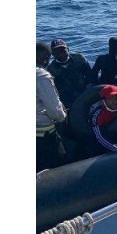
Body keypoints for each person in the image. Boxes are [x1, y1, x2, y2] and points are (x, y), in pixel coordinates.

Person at [36, 42, 67, 172]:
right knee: (57, 164)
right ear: (46, 58)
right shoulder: (41, 76)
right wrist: (63, 117)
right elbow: (55, 111)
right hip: (43, 135)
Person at [47, 39, 92, 110]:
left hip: (83, 95)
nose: (60, 53)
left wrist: (88, 87)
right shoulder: (50, 68)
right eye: (56, 52)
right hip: (65, 101)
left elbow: (90, 75)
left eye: (63, 50)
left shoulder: (79, 59)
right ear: (52, 54)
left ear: (68, 49)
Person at [82, 85, 117, 156]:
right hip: (106, 146)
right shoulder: (98, 116)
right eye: (110, 98)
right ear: (104, 100)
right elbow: (99, 137)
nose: (115, 101)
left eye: (116, 97)